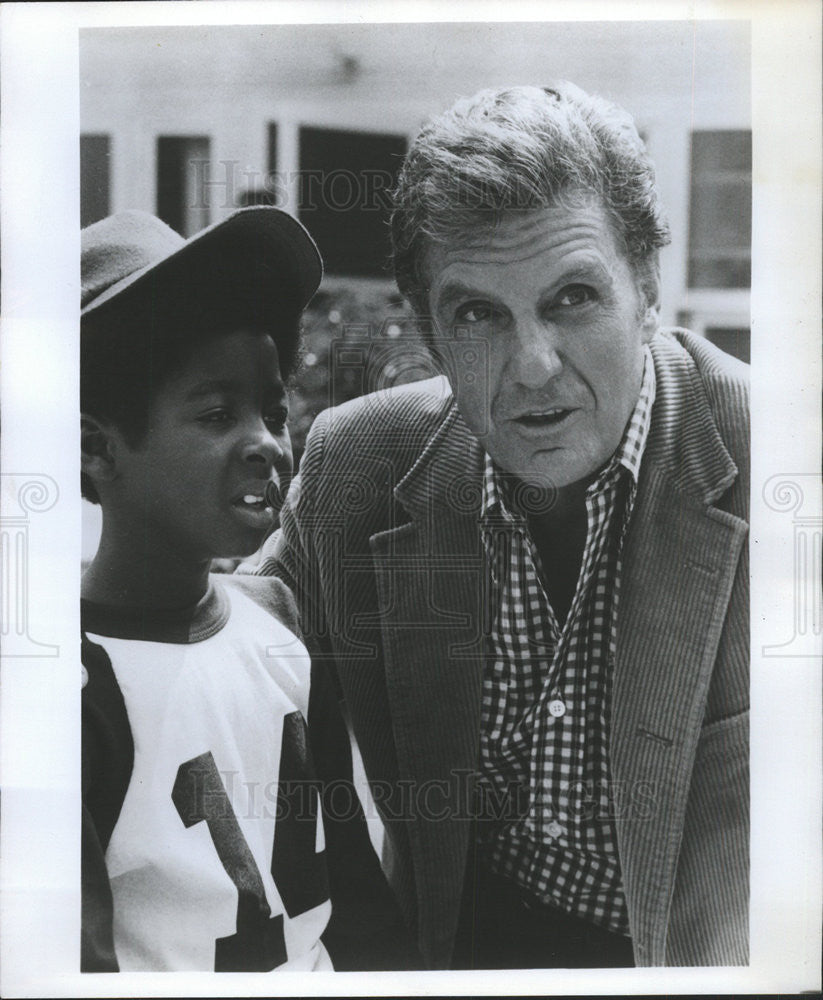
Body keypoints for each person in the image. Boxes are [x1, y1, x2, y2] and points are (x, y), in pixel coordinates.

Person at [253, 83, 750, 970]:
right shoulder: (357, 466)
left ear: (644, 286)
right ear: (434, 338)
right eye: (478, 313)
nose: (531, 367)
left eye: (571, 298)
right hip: (460, 955)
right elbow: (217, 643)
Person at [80, 207, 414, 972]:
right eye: (216, 413)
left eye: (271, 410)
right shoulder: (70, 682)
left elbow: (355, 895)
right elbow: (74, 964)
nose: (266, 442)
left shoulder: (283, 622)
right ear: (95, 447)